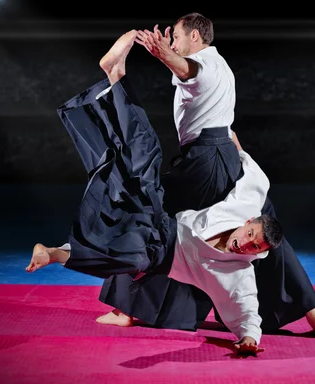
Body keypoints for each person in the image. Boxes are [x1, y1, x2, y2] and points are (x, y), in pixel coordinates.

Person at [26, 30, 282, 355]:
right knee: (145, 157)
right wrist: (233, 145)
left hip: (160, 257)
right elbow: (256, 179)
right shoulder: (245, 203)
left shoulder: (237, 271)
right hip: (164, 223)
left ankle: (54, 254)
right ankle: (116, 77)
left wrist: (249, 339)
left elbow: (246, 310)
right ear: (249, 221)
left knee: (129, 257)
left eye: (253, 246)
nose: (245, 244)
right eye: (250, 234)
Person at [95, 13, 315, 337]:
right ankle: (312, 312)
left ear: (195, 36)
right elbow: (222, 119)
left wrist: (165, 55)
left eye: (177, 37)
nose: (174, 42)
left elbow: (190, 71)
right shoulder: (221, 66)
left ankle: (127, 309)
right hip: (223, 153)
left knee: (152, 220)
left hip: (205, 163)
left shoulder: (204, 65)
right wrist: (236, 151)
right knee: (263, 225)